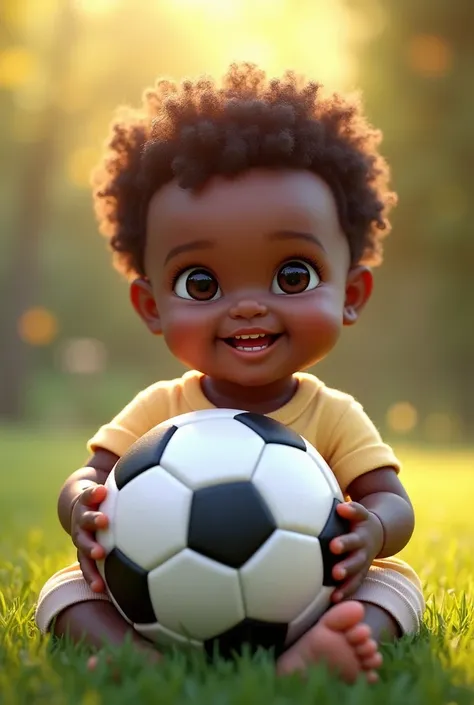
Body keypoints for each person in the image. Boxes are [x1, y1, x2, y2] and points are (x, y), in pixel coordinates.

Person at [35, 63, 424, 684]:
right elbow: (90, 474)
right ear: (151, 306)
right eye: (202, 282)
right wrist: (80, 503)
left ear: (351, 293)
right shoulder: (160, 409)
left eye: (291, 275)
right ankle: (132, 653)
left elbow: (392, 503)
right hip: (158, 599)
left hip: (310, 594)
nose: (247, 305)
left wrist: (372, 532)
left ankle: (314, 654)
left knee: (396, 588)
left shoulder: (332, 413)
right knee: (62, 593)